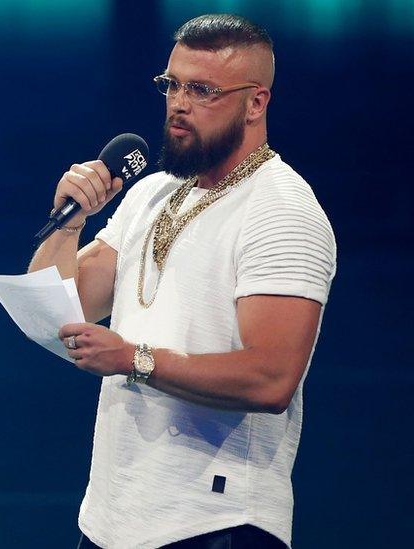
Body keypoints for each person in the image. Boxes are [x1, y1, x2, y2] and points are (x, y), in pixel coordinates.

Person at [28, 14, 335, 549]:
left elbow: (271, 379)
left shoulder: (282, 210)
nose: (179, 103)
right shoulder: (153, 193)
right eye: (172, 84)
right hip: (112, 516)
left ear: (256, 103)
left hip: (217, 521)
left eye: (202, 90)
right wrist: (71, 221)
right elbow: (58, 311)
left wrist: (133, 359)